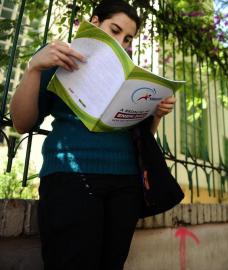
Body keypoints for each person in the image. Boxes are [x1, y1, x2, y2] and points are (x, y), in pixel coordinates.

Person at [10, 1, 176, 269]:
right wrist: (34, 68)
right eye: (115, 30)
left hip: (126, 185)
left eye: (128, 38)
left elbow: (141, 139)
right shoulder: (58, 56)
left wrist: (155, 114)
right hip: (71, 177)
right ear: (95, 22)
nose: (122, 42)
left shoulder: (128, 76)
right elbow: (21, 123)